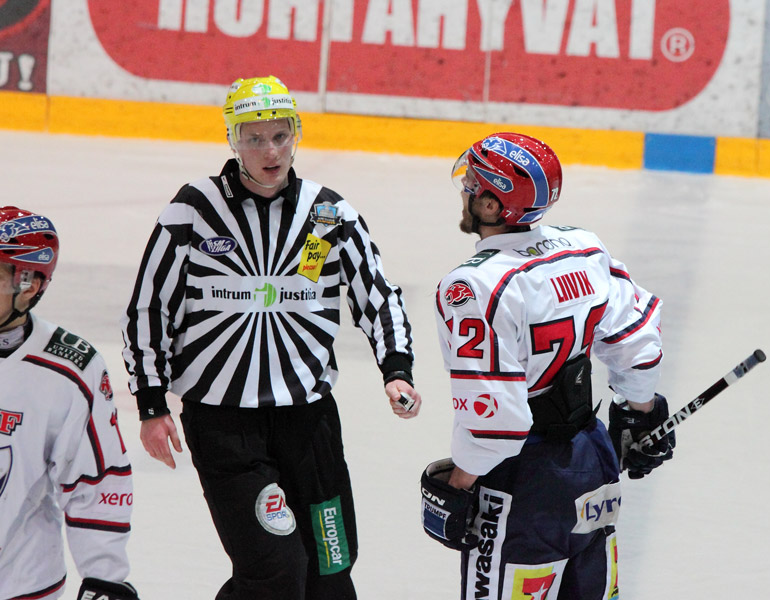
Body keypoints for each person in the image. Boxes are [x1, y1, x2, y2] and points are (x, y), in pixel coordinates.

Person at [120, 76, 420, 600]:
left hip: (309, 423)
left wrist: (396, 369)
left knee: (331, 572)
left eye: (280, 135)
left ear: (296, 135)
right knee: (275, 571)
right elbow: (150, 306)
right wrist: (150, 402)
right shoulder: (193, 210)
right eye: (254, 138)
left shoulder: (328, 216)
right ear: (232, 141)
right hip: (223, 425)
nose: (270, 150)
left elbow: (377, 292)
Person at [419, 133, 674, 599]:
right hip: (592, 460)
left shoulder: (473, 285)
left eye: (473, 183)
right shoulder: (582, 247)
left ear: (494, 207)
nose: (465, 190)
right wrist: (642, 413)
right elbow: (637, 342)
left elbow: (496, 419)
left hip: (524, 480)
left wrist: (459, 485)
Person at [0, 207, 138, 600]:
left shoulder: (69, 368)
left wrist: (104, 577)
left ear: (27, 285)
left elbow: (96, 479)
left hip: (20, 586)